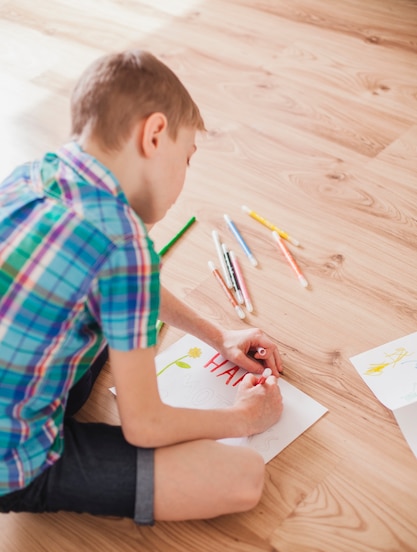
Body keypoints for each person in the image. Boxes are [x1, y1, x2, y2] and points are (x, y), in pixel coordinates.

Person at [0, 49, 283, 525]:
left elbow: (121, 284)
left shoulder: (28, 176)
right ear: (154, 135)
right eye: (187, 157)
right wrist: (245, 417)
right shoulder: (123, 245)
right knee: (243, 477)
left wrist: (219, 337)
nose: (183, 179)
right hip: (13, 464)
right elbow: (146, 425)